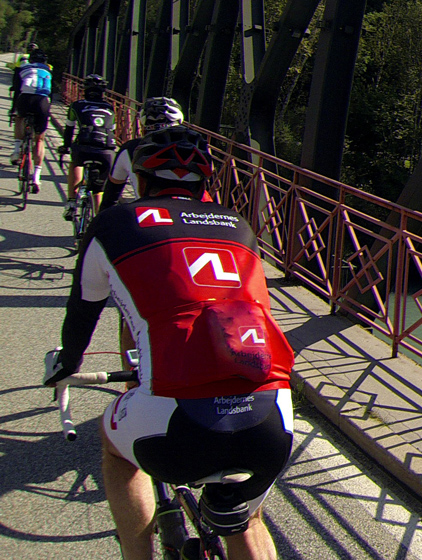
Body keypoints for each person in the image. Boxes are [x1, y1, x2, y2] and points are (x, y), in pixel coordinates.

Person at [44, 126, 294, 560]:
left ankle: (137, 555)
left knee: (116, 450)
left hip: (176, 421)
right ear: (204, 185)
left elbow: (83, 311)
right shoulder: (239, 226)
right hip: (271, 414)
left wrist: (67, 363)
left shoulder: (115, 224)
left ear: (141, 182)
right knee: (245, 518)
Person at [101, 96, 185, 211]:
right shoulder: (197, 148)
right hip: (191, 217)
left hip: (149, 218)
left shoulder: (130, 148)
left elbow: (112, 192)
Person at [64, 74, 117, 219]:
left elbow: (69, 128)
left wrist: (65, 146)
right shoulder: (110, 108)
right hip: (106, 150)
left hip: (84, 147)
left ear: (84, 90)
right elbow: (112, 130)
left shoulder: (77, 105)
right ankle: (98, 221)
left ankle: (71, 202)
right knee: (98, 190)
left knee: (75, 163)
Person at [10, 53, 51, 191]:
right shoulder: (48, 70)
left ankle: (16, 151)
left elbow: (17, 89)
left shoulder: (23, 67)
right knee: (40, 139)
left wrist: (14, 108)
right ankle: (36, 178)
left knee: (19, 118)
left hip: (26, 98)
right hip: (42, 102)